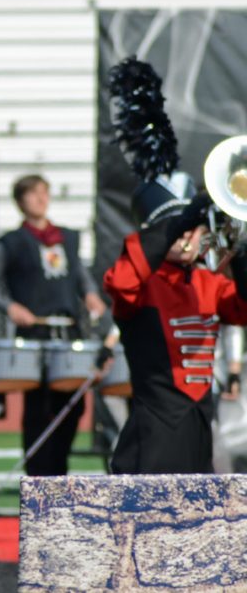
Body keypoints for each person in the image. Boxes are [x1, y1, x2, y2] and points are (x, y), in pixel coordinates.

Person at [0, 174, 107, 476]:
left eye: (43, 192)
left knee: (74, 403)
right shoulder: (12, 243)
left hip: (69, 331)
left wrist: (91, 296)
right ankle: (39, 474)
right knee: (39, 407)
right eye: (32, 194)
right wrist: (11, 307)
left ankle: (59, 471)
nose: (40, 199)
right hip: (35, 334)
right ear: (20, 202)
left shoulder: (67, 238)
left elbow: (79, 275)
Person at [104, 191, 247, 473]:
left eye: (194, 231)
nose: (187, 238)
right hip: (156, 422)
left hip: (201, 419)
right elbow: (121, 283)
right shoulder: (144, 283)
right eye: (180, 231)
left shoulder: (209, 281)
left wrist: (240, 252)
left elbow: (243, 307)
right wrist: (179, 222)